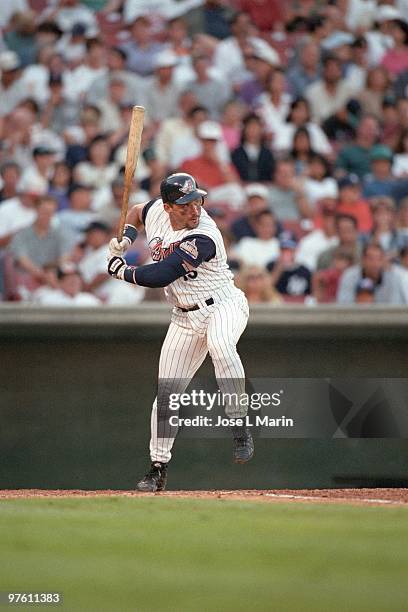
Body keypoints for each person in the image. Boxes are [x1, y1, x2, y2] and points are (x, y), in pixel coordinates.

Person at [107, 172, 254, 491]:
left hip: (222, 304)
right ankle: (157, 468)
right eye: (186, 204)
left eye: (197, 200)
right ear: (169, 205)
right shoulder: (158, 210)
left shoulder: (204, 235)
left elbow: (162, 273)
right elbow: (135, 210)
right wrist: (128, 237)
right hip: (184, 316)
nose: (195, 209)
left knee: (221, 345)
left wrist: (123, 270)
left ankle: (238, 421)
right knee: (167, 395)